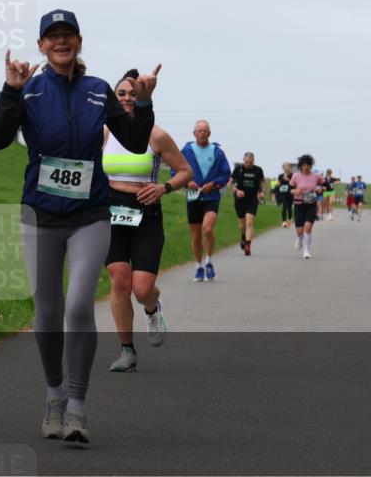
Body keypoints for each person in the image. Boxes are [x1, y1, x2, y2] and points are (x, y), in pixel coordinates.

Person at [0, 9, 158, 443]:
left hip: (89, 214)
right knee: (47, 312)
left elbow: (137, 141)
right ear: (42, 45)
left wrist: (143, 101)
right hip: (40, 215)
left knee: (79, 304)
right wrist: (10, 90)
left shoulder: (98, 91)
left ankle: (78, 406)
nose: (61, 42)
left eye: (69, 35)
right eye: (53, 36)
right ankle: (54, 396)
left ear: (79, 43)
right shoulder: (27, 90)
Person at [103, 70, 192, 373]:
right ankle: (126, 350)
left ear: (142, 97)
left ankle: (152, 309)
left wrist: (164, 188)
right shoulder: (104, 131)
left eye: (132, 94)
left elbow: (184, 171)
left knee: (142, 288)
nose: (127, 99)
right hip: (112, 210)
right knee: (118, 279)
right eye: (121, 94)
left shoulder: (157, 135)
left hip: (146, 210)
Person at [176, 120, 231, 281]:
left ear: (210, 133)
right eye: (199, 130)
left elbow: (226, 174)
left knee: (207, 229)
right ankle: (199, 266)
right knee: (195, 235)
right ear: (194, 133)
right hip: (193, 196)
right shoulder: (186, 150)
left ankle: (209, 261)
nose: (202, 133)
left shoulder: (217, 152)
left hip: (211, 196)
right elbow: (176, 169)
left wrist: (214, 184)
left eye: (205, 130)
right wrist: (187, 182)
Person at [229, 152, 266, 256]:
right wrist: (236, 191)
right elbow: (230, 183)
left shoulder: (258, 170)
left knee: (249, 222)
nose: (248, 164)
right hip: (240, 200)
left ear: (253, 161)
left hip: (252, 199)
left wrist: (262, 192)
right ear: (243, 160)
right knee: (242, 225)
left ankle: (248, 246)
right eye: (246, 162)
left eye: (250, 162)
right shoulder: (238, 169)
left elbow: (263, 182)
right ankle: (243, 237)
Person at [289, 154, 323, 259]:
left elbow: (325, 186)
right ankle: (300, 239)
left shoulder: (316, 176)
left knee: (308, 228)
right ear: (301, 165)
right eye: (304, 165)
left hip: (311, 204)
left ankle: (306, 251)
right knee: (300, 231)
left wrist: (320, 189)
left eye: (308, 164)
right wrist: (296, 191)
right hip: (299, 204)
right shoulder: (295, 176)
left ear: (311, 165)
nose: (306, 167)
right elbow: (289, 190)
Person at [277, 162, 295, 228]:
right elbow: (278, 184)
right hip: (282, 192)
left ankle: (289, 220)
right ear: (283, 167)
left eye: (288, 166)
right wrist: (278, 184)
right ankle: (284, 221)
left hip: (290, 192)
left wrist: (288, 180)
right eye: (285, 166)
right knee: (285, 206)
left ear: (290, 167)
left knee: (289, 207)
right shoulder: (280, 175)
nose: (286, 168)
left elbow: (294, 184)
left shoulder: (292, 175)